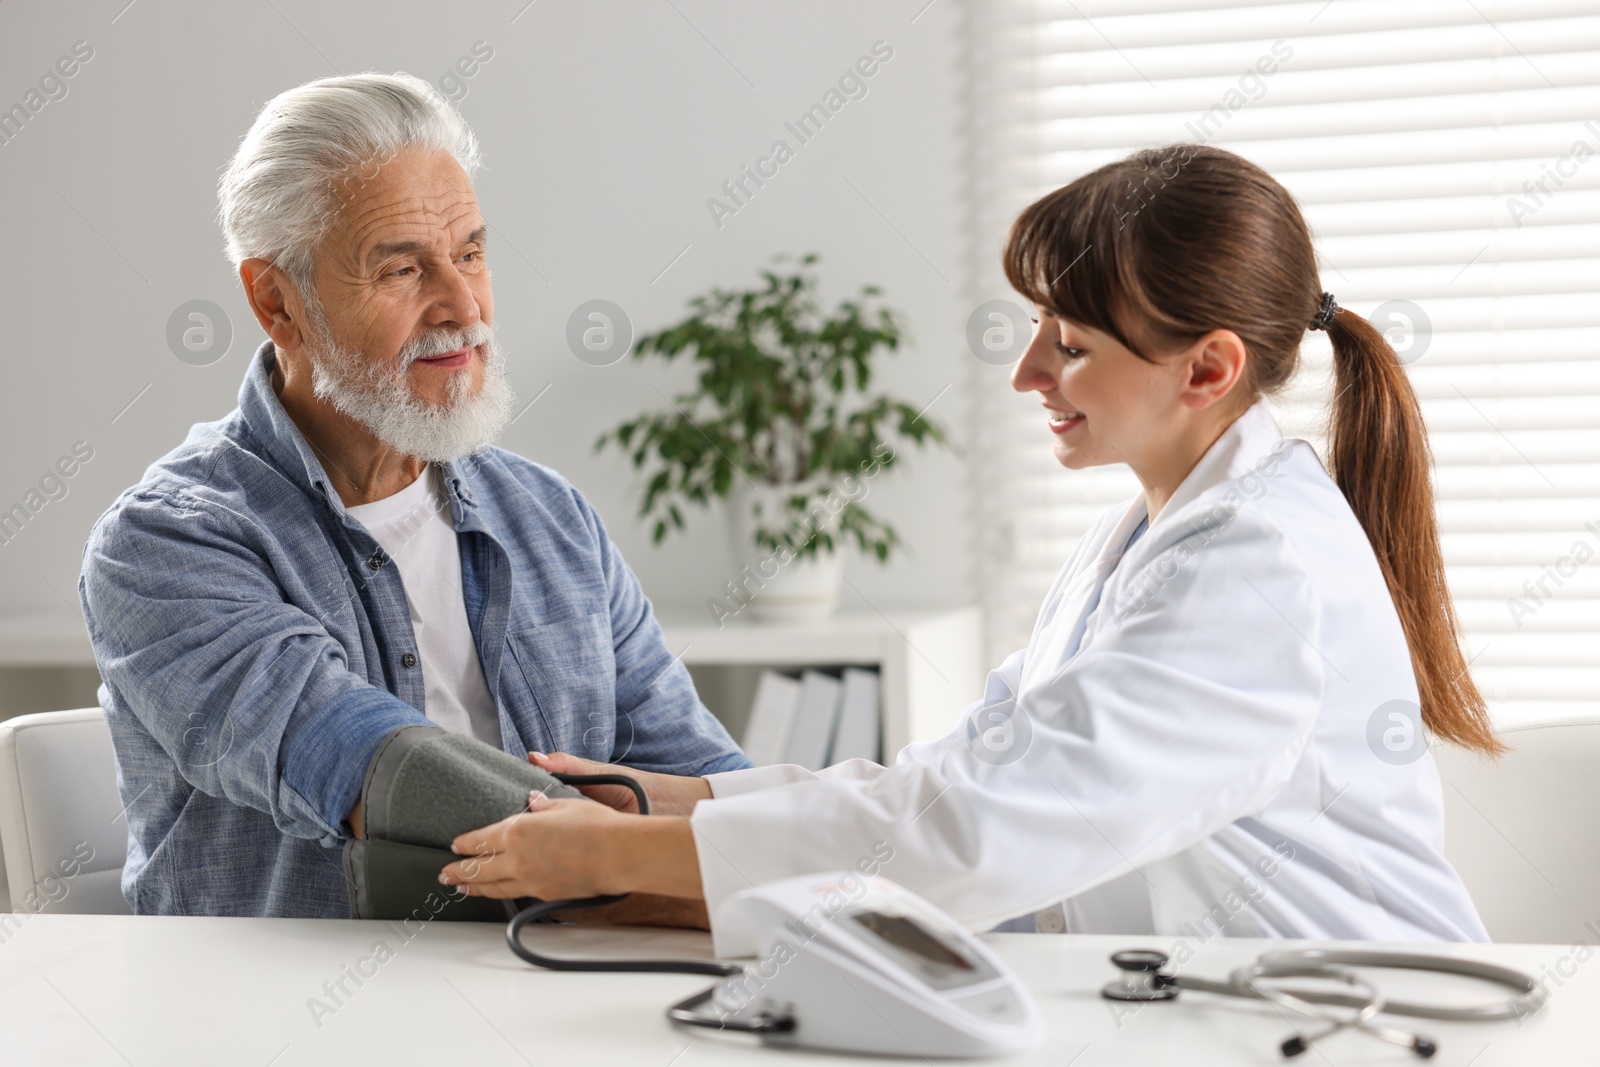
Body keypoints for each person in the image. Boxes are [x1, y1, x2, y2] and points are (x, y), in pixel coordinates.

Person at [438, 144, 1500, 947]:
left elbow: (975, 838)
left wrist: (618, 854)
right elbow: (959, 772)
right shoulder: (1150, 533)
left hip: (1357, 1014)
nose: (1027, 371)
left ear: (1206, 369)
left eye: (1071, 344)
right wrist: (694, 798)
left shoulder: (1255, 568)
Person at [78, 73, 749, 918]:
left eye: (470, 252)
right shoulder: (166, 544)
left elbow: (706, 780)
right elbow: (382, 779)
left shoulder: (550, 518)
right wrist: (721, 871)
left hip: (556, 1002)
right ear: (275, 300)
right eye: (402, 268)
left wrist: (812, 852)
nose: (463, 306)